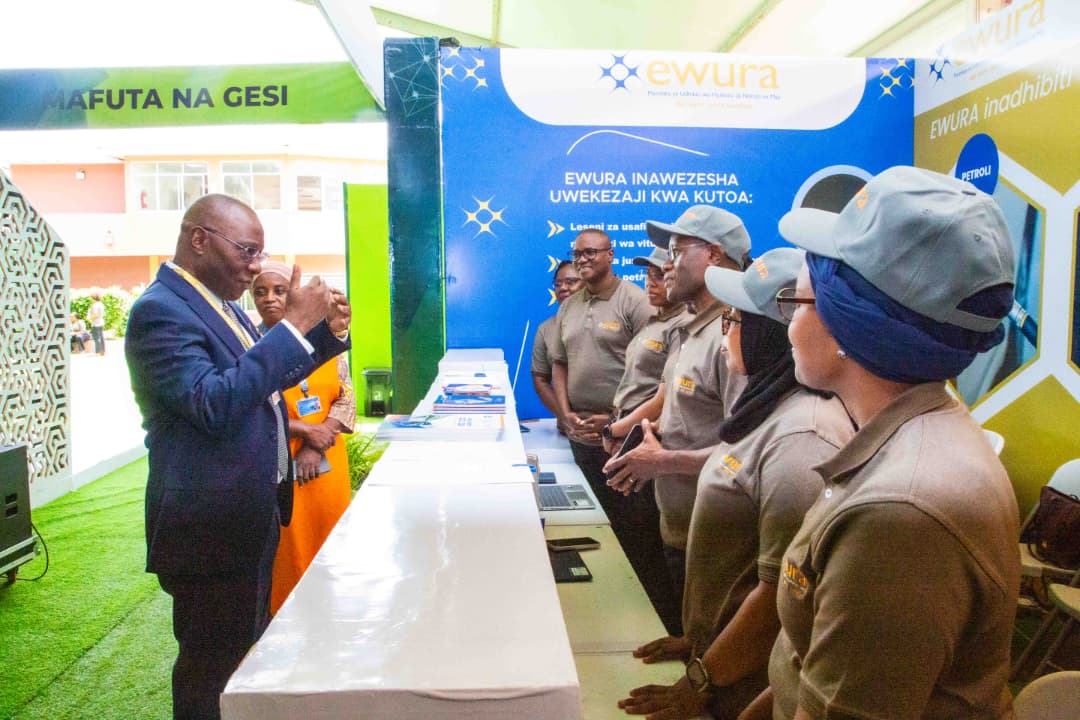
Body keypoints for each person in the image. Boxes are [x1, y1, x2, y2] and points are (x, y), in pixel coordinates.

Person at [748, 167, 1021, 720]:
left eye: (797, 301)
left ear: (849, 325)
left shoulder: (899, 512)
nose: (789, 324)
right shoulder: (911, 437)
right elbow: (808, 660)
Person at [125, 194, 351, 720]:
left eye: (260, 253)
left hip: (247, 519)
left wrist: (324, 335)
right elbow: (214, 403)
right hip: (209, 530)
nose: (255, 266)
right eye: (247, 251)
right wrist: (291, 328)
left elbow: (262, 382)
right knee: (211, 673)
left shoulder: (217, 304)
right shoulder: (160, 311)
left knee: (243, 661)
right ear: (199, 239)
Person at [616, 248, 855, 720]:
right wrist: (699, 640)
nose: (725, 336)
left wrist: (701, 680)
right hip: (722, 664)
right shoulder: (766, 411)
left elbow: (778, 598)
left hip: (744, 683)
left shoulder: (801, 437)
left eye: (734, 321)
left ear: (769, 333)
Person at [605, 206, 750, 623]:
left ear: (715, 255)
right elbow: (681, 406)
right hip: (681, 528)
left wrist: (665, 461)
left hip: (717, 541)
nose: (666, 265)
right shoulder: (690, 329)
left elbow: (751, 451)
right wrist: (644, 432)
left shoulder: (734, 334)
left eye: (675, 251)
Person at [251, 261, 356, 616]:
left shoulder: (320, 338)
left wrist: (316, 441)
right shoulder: (250, 345)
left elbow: (346, 397)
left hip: (327, 463)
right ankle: (288, 623)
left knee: (332, 547)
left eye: (279, 290)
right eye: (260, 292)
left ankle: (334, 615)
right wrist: (304, 432)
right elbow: (256, 405)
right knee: (289, 556)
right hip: (282, 468)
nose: (269, 298)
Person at [603, 245, 689, 633]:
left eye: (660, 275)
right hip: (628, 433)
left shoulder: (681, 327)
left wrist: (618, 429)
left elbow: (662, 397)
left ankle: (663, 624)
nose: (652, 283)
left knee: (649, 539)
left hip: (646, 440)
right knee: (633, 537)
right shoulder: (654, 322)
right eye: (648, 276)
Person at [549, 229, 653, 507]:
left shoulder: (636, 301)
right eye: (577, 254)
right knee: (587, 516)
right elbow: (560, 363)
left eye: (590, 252)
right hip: (580, 436)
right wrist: (566, 413)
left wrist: (614, 421)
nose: (582, 259)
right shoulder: (568, 306)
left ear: (610, 255)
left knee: (629, 520)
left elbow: (653, 374)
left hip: (623, 438)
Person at [531, 260, 582, 423]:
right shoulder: (546, 328)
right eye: (558, 284)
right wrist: (566, 418)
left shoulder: (604, 321)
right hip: (569, 428)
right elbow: (540, 379)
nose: (563, 288)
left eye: (570, 282)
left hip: (612, 426)